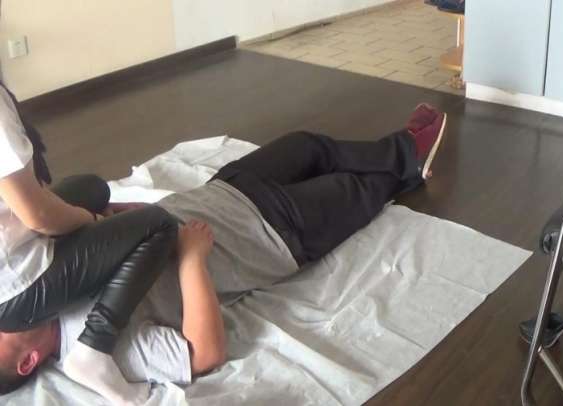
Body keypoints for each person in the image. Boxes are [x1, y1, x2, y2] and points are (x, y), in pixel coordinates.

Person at [0, 103, 448, 402]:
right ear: (27, 361)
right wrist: (192, 260)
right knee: (359, 187)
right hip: (270, 234)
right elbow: (206, 353)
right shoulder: (100, 350)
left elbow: (66, 215)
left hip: (222, 193)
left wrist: (110, 212)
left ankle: (404, 155)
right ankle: (408, 151)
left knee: (309, 146)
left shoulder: (46, 284)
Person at [0, 80, 179, 405]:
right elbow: (38, 214)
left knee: (93, 187)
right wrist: (95, 221)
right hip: (14, 290)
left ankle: (83, 223)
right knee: (159, 223)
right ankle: (94, 348)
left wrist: (92, 220)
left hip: (12, 237)